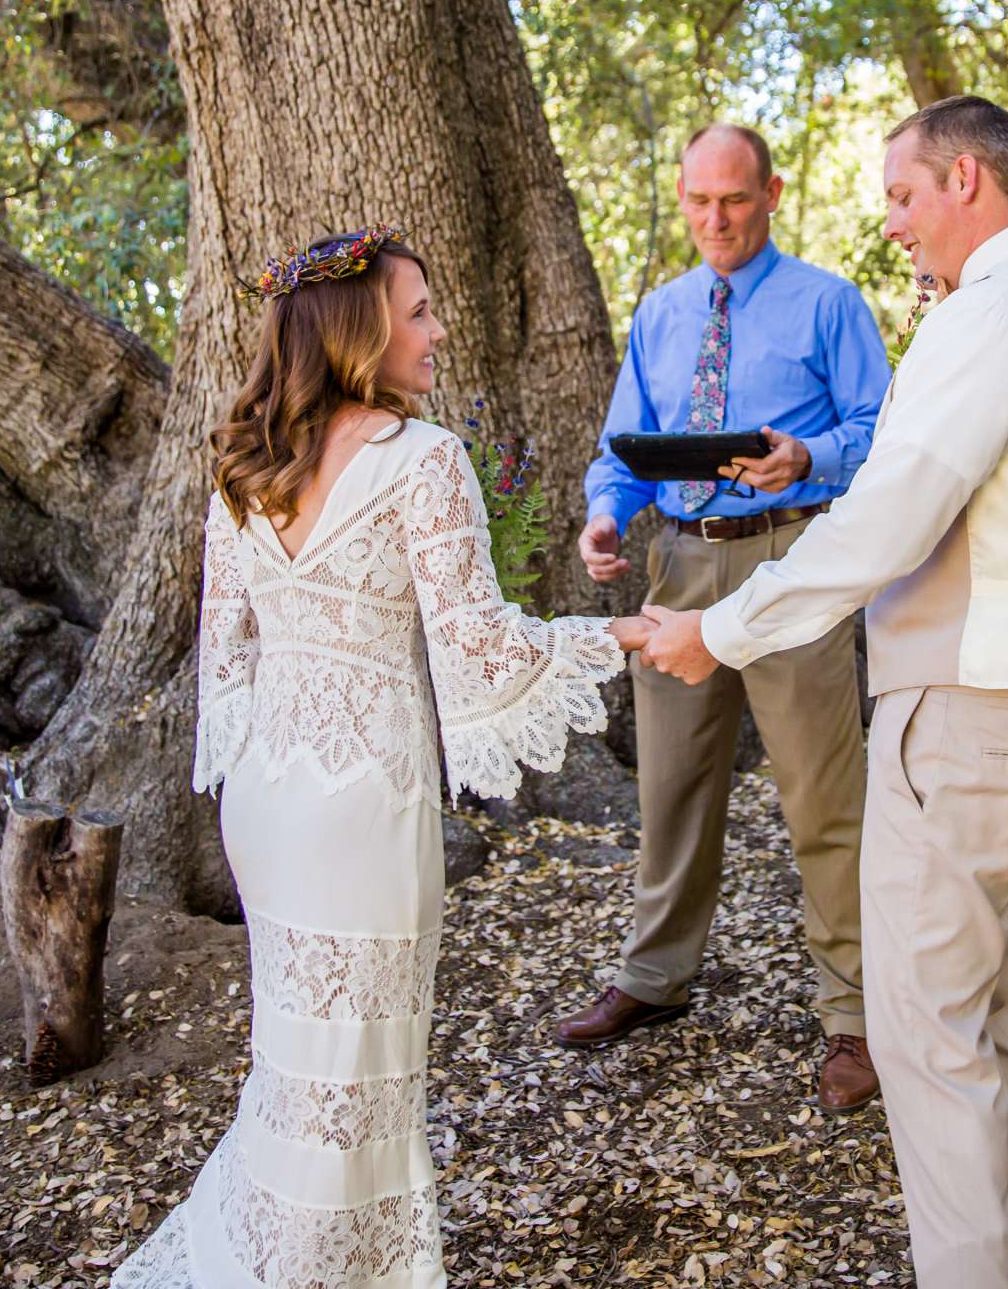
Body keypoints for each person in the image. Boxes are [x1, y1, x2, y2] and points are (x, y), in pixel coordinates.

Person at [641, 97, 1008, 1288]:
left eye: (904, 197)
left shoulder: (990, 319)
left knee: (928, 1041)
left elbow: (882, 519)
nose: (895, 226)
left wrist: (723, 627)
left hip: (968, 710)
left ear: (966, 181)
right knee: (981, 1019)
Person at [113, 227, 654, 1289]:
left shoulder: (244, 466)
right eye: (417, 311)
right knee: (361, 1084)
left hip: (268, 795)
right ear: (359, 332)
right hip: (364, 802)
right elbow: (484, 651)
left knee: (295, 1073)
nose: (437, 329)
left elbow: (226, 656)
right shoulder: (426, 461)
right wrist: (620, 635)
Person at [555, 124, 891, 1111]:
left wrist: (810, 458)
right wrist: (605, 512)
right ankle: (654, 979)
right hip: (681, 557)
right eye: (699, 200)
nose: (716, 220)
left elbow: (884, 433)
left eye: (735, 200)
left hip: (794, 556)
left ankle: (856, 1016)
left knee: (824, 798)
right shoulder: (660, 314)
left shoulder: (828, 303)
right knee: (671, 790)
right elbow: (623, 447)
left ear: (773, 192)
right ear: (680, 192)